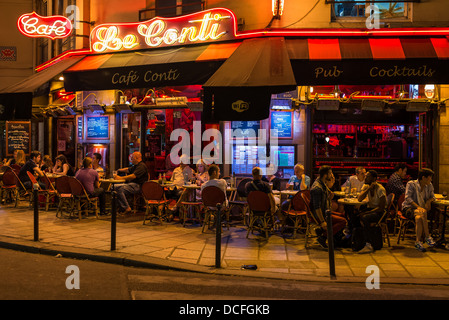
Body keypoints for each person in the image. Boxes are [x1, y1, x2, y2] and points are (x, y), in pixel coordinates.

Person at [310, 165, 347, 248]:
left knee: (343, 215)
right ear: (326, 175)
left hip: (325, 211)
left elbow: (329, 193)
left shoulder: (321, 183)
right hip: (320, 215)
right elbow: (317, 207)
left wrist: (330, 194)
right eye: (330, 173)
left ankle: (334, 236)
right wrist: (322, 221)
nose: (332, 175)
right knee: (343, 221)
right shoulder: (317, 188)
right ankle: (323, 237)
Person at [401, 168, 436, 252]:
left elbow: (433, 197)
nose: (431, 179)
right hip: (408, 208)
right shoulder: (411, 184)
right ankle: (428, 236)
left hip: (420, 210)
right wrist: (418, 207)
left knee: (418, 218)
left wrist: (428, 201)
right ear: (423, 178)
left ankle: (417, 242)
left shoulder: (429, 185)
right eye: (429, 177)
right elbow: (408, 198)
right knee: (423, 212)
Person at [357, 170, 387, 254]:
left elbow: (381, 208)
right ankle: (358, 241)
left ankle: (369, 244)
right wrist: (369, 188)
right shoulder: (367, 187)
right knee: (355, 215)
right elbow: (359, 199)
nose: (365, 178)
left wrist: (366, 213)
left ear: (374, 179)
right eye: (365, 176)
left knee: (365, 218)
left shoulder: (380, 189)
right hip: (372, 210)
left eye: (368, 176)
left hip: (380, 213)